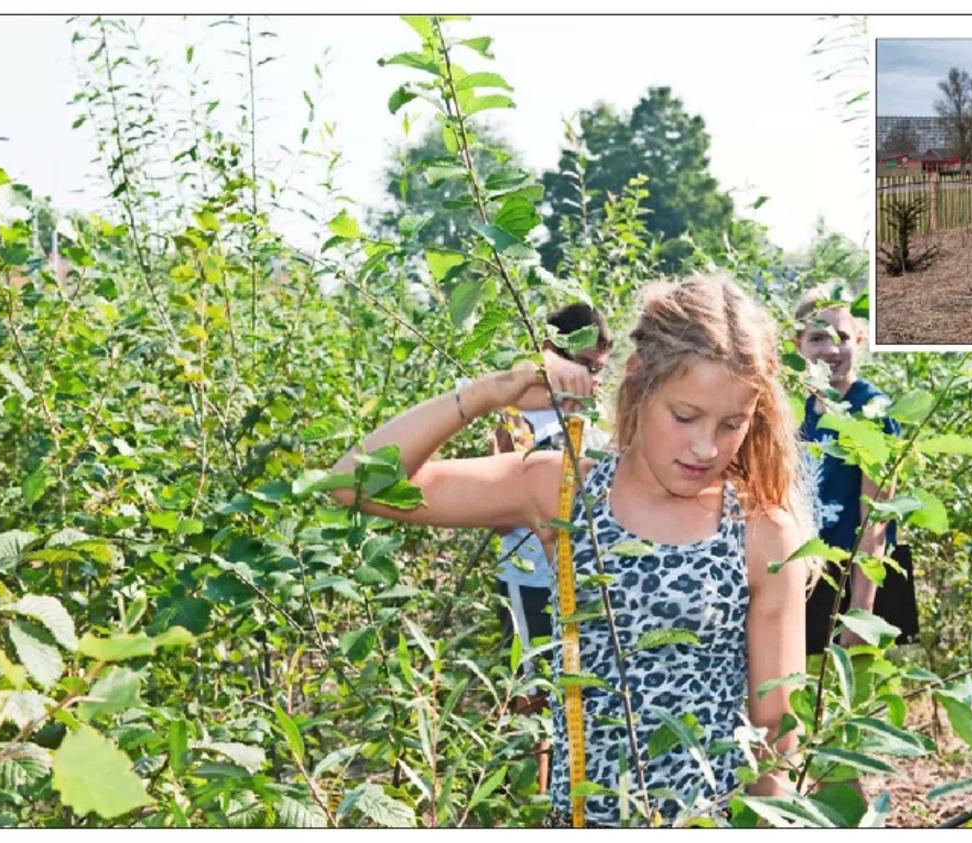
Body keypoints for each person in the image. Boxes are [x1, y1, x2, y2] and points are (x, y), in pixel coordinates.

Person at [329, 274, 809, 826]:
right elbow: (353, 484)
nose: (706, 446)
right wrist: (492, 393)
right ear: (639, 382)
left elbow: (778, 725)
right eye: (684, 416)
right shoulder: (564, 490)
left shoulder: (759, 529)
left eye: (732, 424)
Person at [490, 302, 612, 797]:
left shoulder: (599, 420)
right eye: (581, 367)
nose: (591, 380)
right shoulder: (521, 418)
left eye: (599, 370)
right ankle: (533, 801)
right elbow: (500, 498)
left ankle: (569, 791)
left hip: (584, 581)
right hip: (530, 578)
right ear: (549, 356)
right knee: (532, 694)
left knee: (579, 691)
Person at [793, 284, 917, 657]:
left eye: (841, 337)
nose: (830, 350)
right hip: (804, 578)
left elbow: (875, 518)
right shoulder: (799, 414)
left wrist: (860, 612)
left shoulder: (871, 411)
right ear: (797, 344)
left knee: (850, 698)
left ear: (859, 340)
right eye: (817, 338)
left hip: (852, 582)